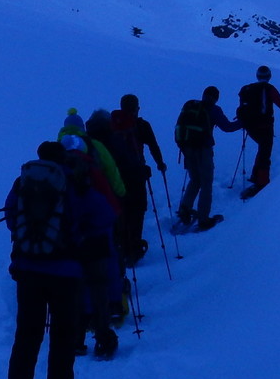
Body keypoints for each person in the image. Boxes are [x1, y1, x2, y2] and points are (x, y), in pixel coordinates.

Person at [0, 140, 98, 379]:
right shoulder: (75, 181)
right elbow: (101, 216)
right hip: (66, 272)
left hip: (28, 270)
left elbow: (11, 217)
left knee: (27, 335)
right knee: (63, 334)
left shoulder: (24, 182)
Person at [61, 131, 124, 361]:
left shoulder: (56, 175)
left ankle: (77, 337)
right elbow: (108, 209)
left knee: (78, 286)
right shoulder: (91, 169)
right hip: (96, 240)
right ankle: (103, 335)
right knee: (100, 284)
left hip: (69, 242)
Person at [106, 94, 167, 264]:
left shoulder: (110, 125)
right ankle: (133, 248)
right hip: (136, 173)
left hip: (116, 175)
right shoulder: (141, 125)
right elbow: (153, 145)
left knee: (122, 209)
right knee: (138, 209)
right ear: (136, 108)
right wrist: (160, 164)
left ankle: (121, 245)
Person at [173, 86, 242, 230]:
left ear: (203, 94)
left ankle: (185, 210)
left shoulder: (190, 105)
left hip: (187, 149)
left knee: (195, 180)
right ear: (216, 98)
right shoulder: (214, 110)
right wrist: (244, 122)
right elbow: (227, 127)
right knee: (206, 183)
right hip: (203, 150)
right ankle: (203, 219)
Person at [234, 66, 280, 195]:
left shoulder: (248, 89)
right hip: (265, 126)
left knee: (262, 149)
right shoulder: (269, 88)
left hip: (250, 125)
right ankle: (262, 182)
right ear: (269, 76)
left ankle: (256, 175)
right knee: (265, 153)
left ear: (257, 76)